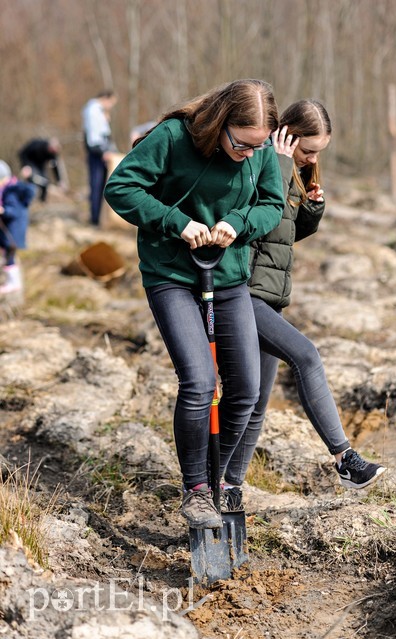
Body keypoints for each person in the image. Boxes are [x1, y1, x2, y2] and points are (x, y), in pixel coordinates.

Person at [104, 79, 285, 529]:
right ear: (222, 124)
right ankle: (196, 490)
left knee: (245, 387)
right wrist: (175, 222)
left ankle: (219, 478)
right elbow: (121, 188)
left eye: (257, 147)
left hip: (228, 276)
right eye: (242, 145)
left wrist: (239, 223)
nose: (249, 154)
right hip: (172, 275)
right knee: (201, 382)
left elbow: (272, 204)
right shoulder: (173, 138)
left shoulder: (259, 151)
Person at [220, 99, 386, 512]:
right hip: (242, 292)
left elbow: (283, 235)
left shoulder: (289, 171)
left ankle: (227, 485)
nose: (312, 159)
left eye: (318, 153)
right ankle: (345, 459)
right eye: (308, 150)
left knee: (255, 402)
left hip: (268, 298)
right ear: (286, 134)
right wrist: (279, 168)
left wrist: (311, 205)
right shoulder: (257, 161)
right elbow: (256, 217)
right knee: (307, 356)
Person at [82, 90, 118, 226]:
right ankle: (95, 218)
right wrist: (103, 151)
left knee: (100, 186)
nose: (111, 107)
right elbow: (94, 138)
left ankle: (98, 217)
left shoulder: (97, 111)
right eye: (111, 103)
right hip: (97, 153)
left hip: (100, 151)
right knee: (97, 186)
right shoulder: (93, 110)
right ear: (105, 98)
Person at [0, 160, 35, 295]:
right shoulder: (8, 189)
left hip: (13, 231)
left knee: (10, 256)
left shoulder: (11, 192)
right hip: (10, 231)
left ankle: (13, 283)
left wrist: (3, 211)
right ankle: (12, 282)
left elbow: (15, 211)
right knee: (8, 255)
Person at [18, 137, 66, 202]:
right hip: (30, 163)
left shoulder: (53, 154)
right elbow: (22, 153)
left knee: (45, 181)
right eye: (52, 150)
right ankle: (27, 199)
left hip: (40, 166)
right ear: (50, 146)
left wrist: (59, 180)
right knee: (34, 179)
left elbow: (54, 167)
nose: (53, 152)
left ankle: (42, 201)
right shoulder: (37, 144)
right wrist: (25, 166)